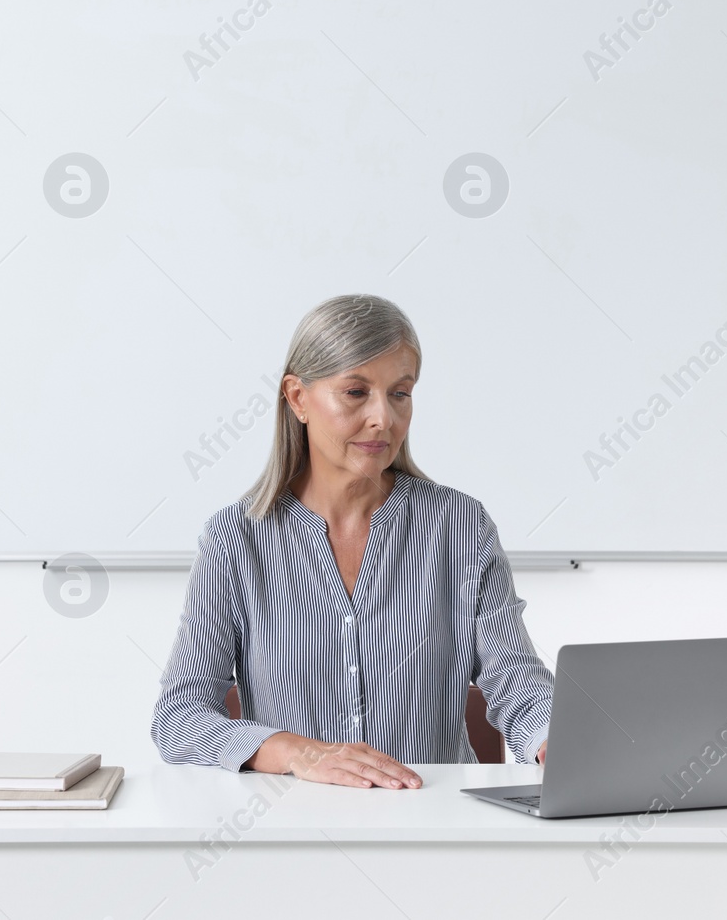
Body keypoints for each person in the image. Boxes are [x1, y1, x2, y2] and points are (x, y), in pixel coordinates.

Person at [151, 294, 554, 788]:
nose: (383, 418)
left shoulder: (459, 527)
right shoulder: (237, 539)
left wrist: (552, 739)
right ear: (298, 398)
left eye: (400, 394)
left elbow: (516, 680)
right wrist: (297, 752)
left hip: (434, 825)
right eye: (356, 392)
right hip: (293, 831)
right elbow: (177, 718)